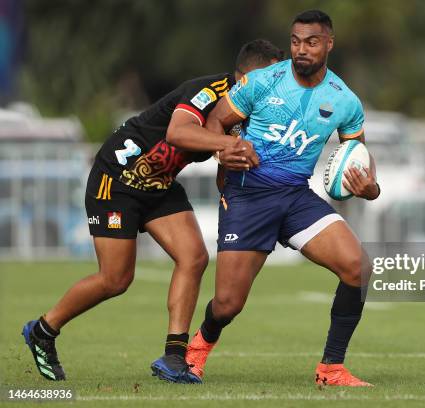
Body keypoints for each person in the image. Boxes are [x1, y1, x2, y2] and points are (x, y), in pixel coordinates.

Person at [21, 39, 283, 384]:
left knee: (193, 257)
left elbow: (226, 163)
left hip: (158, 184)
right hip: (116, 178)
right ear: (251, 76)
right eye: (276, 76)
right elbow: (177, 132)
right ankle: (43, 329)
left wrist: (235, 187)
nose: (282, 84)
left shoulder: (246, 112)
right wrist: (229, 144)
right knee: (116, 279)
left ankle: (173, 357)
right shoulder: (209, 90)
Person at [185, 10, 380, 387]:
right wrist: (224, 150)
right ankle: (197, 349)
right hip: (248, 195)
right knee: (227, 305)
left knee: (359, 268)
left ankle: (332, 368)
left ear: (328, 44)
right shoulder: (262, 81)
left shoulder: (345, 101)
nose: (301, 50)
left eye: (310, 42)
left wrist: (370, 188)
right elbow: (216, 122)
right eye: (295, 41)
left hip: (295, 197)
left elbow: (357, 159)